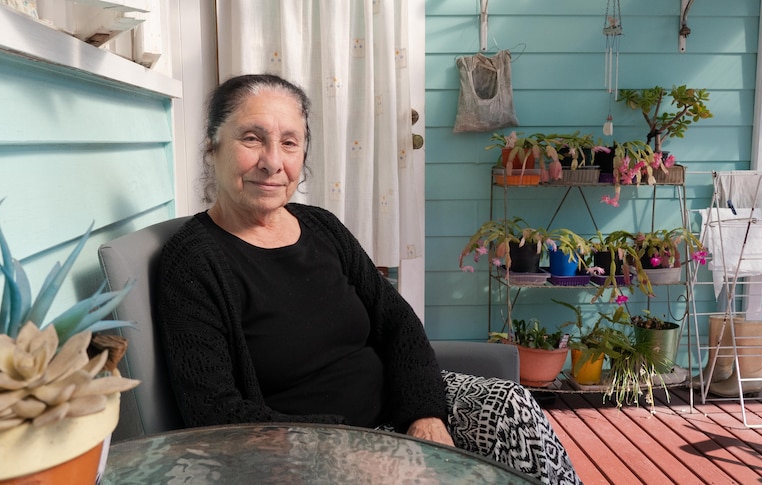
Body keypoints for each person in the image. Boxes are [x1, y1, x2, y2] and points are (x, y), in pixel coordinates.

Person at [157, 73, 581, 484]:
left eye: (289, 142)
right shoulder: (193, 263)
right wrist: (351, 449)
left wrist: (423, 413)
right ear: (213, 145)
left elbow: (397, 322)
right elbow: (215, 413)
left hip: (396, 409)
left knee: (511, 405)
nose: (272, 162)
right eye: (252, 138)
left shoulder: (321, 227)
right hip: (305, 451)